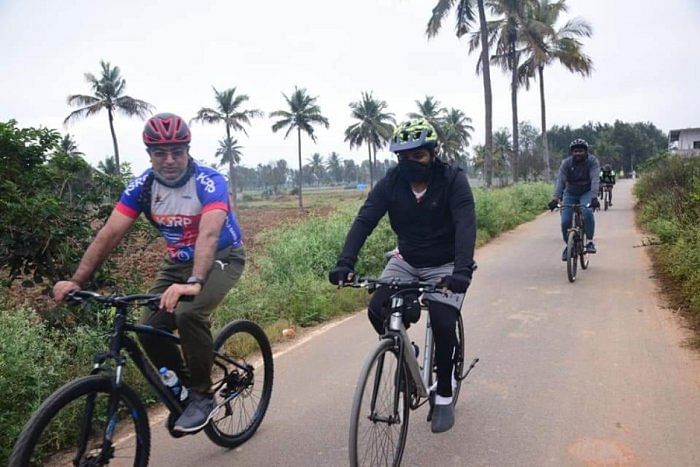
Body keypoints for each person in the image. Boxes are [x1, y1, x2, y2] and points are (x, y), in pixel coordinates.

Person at [53, 113, 245, 433]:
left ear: (188, 150)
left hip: (221, 256)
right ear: (149, 154)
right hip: (178, 262)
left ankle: (202, 395)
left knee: (188, 314)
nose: (169, 160)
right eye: (160, 153)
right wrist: (77, 280)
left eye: (177, 152)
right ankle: (183, 389)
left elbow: (209, 235)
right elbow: (109, 234)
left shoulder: (209, 181)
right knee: (148, 326)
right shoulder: (142, 187)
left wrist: (195, 282)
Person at [328, 118, 476, 433]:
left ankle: (445, 395)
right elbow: (365, 219)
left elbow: (465, 224)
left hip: (446, 262)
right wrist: (345, 262)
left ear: (433, 153)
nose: (411, 163)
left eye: (418, 156)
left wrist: (462, 270)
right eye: (403, 157)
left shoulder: (453, 180)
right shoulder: (392, 183)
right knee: (377, 308)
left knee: (443, 320)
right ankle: (409, 360)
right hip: (406, 259)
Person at [548, 138, 601, 261]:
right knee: (565, 221)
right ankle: (569, 245)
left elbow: (595, 179)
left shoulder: (592, 162)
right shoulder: (566, 163)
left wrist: (594, 197)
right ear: (572, 152)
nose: (578, 153)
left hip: (586, 192)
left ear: (586, 152)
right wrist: (555, 199)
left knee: (587, 212)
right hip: (570, 192)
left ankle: (589, 241)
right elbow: (560, 181)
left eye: (581, 151)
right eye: (575, 151)